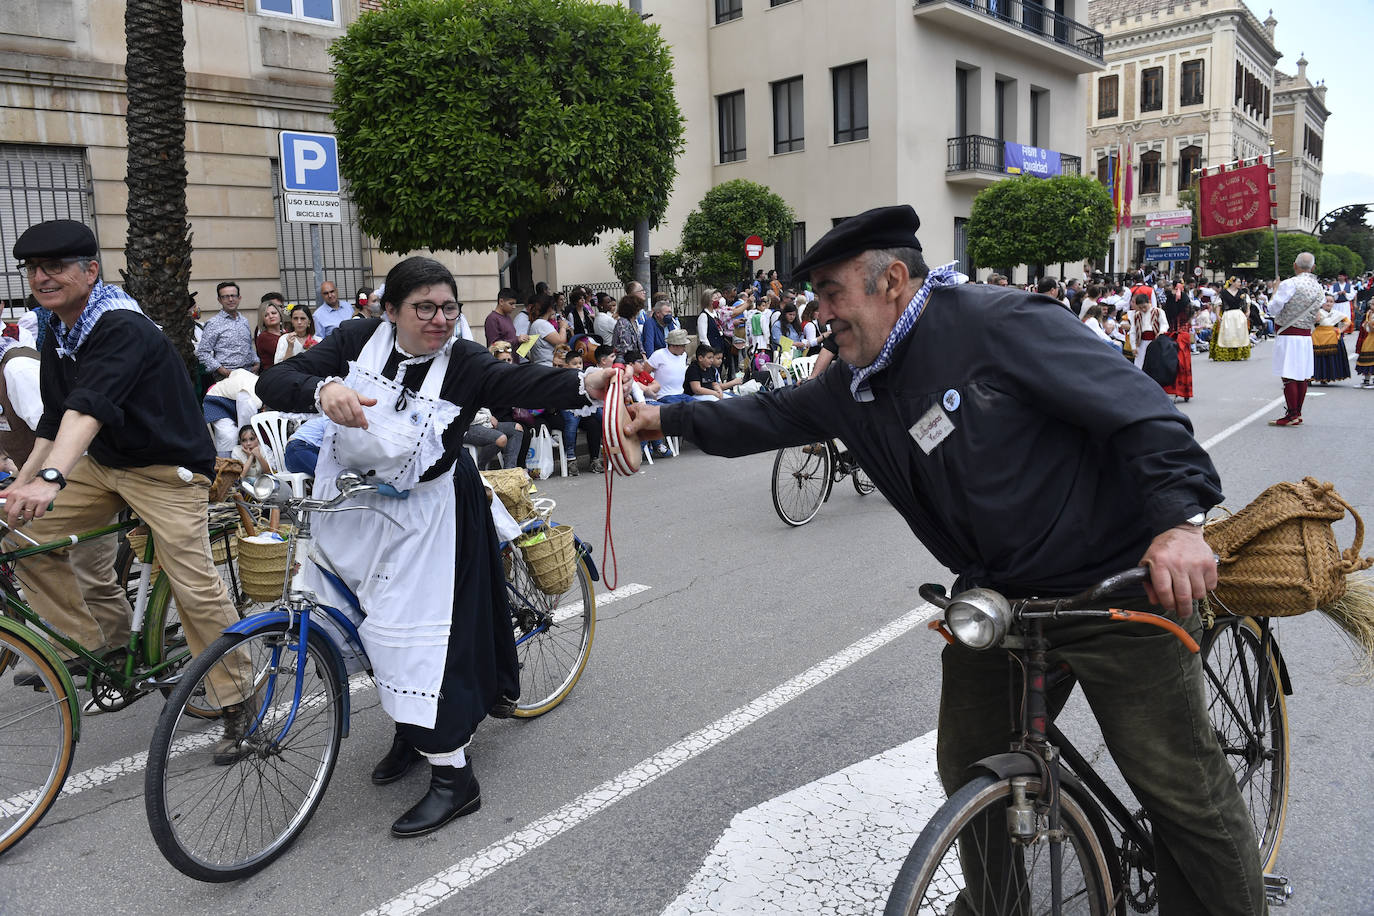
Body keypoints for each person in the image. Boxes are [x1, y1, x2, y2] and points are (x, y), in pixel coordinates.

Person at [625, 205, 1263, 916]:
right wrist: (663, 416)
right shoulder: (852, 381)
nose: (820, 314)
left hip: (1113, 587)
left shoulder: (999, 324)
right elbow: (763, 416)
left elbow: (1142, 412)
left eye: (833, 294)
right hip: (1001, 600)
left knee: (1179, 785)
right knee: (967, 762)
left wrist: (1179, 524)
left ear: (892, 280)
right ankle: (997, 906)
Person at [256, 256, 624, 838]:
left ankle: (456, 780)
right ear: (391, 311)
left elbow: (520, 381)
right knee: (365, 628)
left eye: (449, 307)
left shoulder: (464, 360)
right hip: (355, 510)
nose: (439, 319)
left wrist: (585, 382)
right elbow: (272, 381)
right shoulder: (356, 339)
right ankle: (410, 729)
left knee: (418, 638)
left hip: (429, 517)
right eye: (424, 307)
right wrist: (323, 388)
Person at [5, 218, 250, 760]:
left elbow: (88, 407)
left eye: (56, 267)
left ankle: (238, 698)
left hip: (166, 468)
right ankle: (103, 649)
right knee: (14, 533)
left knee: (191, 578)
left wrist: (50, 478)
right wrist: (20, 487)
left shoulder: (120, 326)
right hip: (104, 464)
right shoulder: (55, 328)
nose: (42, 277)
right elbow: (54, 418)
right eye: (34, 269)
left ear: (90, 271)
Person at [1267, 252, 1326, 426]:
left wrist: (1275, 291)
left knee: (1289, 375)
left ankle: (1291, 414)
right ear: (1313, 267)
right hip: (1306, 334)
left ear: (1295, 265)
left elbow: (1273, 309)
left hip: (1288, 333)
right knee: (1301, 375)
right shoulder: (1319, 287)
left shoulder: (1289, 284)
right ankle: (1297, 412)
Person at [195, 281, 259, 380]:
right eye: (225, 296)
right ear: (219, 300)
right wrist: (222, 370)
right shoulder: (213, 323)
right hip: (226, 378)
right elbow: (203, 352)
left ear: (239, 298)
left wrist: (256, 362)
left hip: (249, 374)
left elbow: (249, 345)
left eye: (233, 295)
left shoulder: (244, 321)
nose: (230, 299)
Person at [1311, 294, 1353, 385]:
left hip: (1331, 336)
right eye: (1326, 301)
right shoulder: (1318, 312)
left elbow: (1348, 322)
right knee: (1316, 358)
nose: (1328, 303)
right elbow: (1316, 320)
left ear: (1334, 303)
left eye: (1331, 302)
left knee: (1329, 358)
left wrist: (1340, 331)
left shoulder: (1336, 313)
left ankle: (1326, 377)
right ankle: (1311, 377)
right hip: (1318, 336)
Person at [484, 288, 530, 362]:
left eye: (515, 304)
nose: (514, 307)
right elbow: (494, 345)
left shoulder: (507, 317)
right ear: (501, 301)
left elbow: (509, 338)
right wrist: (517, 339)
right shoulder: (492, 318)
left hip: (513, 361)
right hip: (502, 363)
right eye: (511, 304)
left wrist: (521, 340)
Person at [1211, 279, 1252, 361]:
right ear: (1232, 283)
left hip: (1238, 315)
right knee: (1228, 333)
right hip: (1228, 314)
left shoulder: (1241, 292)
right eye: (1238, 282)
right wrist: (1218, 315)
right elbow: (1219, 305)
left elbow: (1247, 303)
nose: (1240, 284)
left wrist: (1248, 311)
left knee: (1238, 334)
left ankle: (1238, 353)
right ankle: (1227, 352)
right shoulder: (1223, 293)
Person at [255, 295, 286, 372]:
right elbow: (282, 354)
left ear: (279, 314)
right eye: (266, 315)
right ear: (263, 319)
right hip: (273, 374)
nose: (271, 316)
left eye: (274, 313)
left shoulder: (286, 332)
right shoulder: (263, 337)